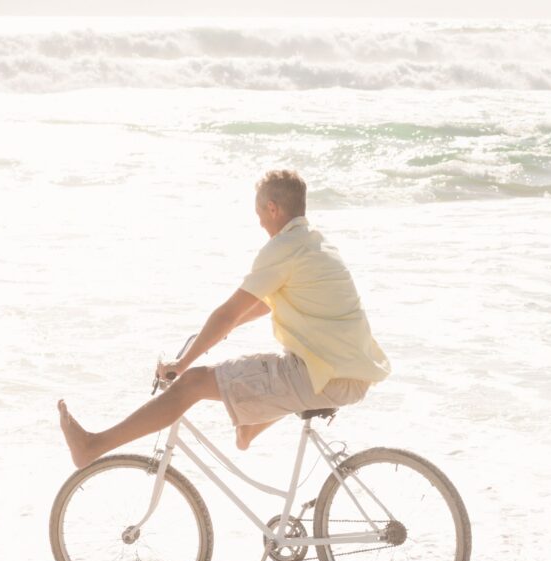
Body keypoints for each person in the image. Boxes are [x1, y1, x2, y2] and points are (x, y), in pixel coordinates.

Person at [58, 169, 391, 469]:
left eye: (259, 212)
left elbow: (227, 312)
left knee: (192, 383)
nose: (260, 221)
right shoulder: (317, 244)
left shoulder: (282, 248)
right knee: (267, 369)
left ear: (273, 209)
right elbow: (265, 304)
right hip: (351, 375)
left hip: (321, 377)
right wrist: (230, 327)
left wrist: (183, 362)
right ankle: (248, 428)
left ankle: (92, 446)